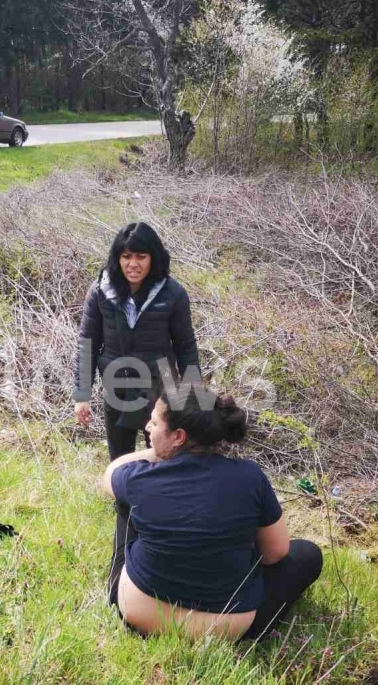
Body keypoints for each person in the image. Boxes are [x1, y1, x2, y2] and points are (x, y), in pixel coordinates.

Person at [102, 389, 323, 641]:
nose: (147, 427)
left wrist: (159, 452)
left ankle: (115, 584)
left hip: (142, 616)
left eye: (154, 422)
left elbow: (111, 472)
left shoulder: (140, 477)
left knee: (124, 502)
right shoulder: (250, 477)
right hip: (227, 629)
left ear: (178, 436)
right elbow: (276, 553)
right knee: (307, 554)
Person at [72, 221, 199, 603]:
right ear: (117, 258)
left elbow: (186, 347)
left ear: (153, 258)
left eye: (140, 256)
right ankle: (123, 548)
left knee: (161, 465)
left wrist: (193, 400)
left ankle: (156, 539)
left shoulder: (172, 293)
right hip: (115, 387)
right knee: (123, 468)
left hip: (158, 390)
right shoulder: (101, 290)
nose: (133, 264)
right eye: (126, 256)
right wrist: (82, 394)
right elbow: (86, 343)